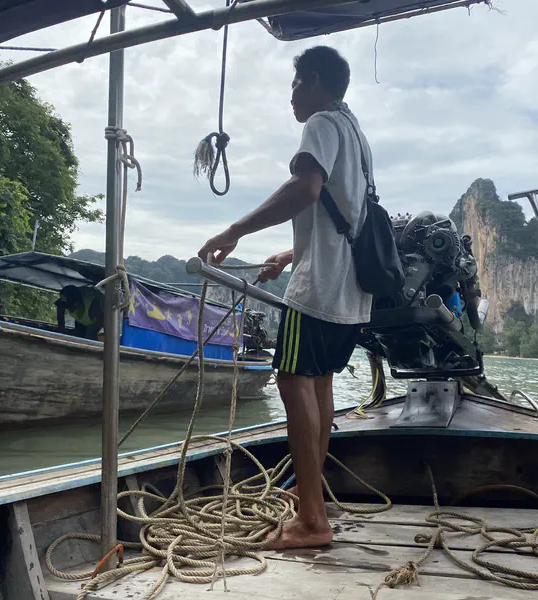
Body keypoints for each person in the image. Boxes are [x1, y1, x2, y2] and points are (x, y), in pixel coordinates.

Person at [198, 46, 373, 549]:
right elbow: (344, 218)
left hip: (317, 292)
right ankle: (311, 506)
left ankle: (312, 521)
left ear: (313, 81)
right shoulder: (355, 132)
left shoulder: (320, 122)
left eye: (295, 84)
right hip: (350, 293)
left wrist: (235, 231)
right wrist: (286, 253)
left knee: (295, 380)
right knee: (318, 387)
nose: (290, 94)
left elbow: (306, 188)